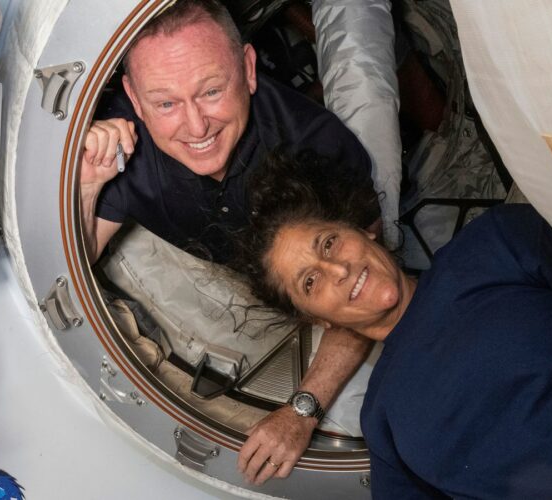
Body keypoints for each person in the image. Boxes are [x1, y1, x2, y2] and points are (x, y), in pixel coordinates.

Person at [79, 0, 382, 484]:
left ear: (247, 68)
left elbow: (370, 293)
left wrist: (301, 411)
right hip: (228, 270)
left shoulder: (318, 149)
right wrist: (90, 182)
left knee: (366, 87)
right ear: (134, 100)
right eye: (165, 104)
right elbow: (78, 259)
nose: (196, 126)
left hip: (315, 268)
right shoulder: (122, 142)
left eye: (212, 90)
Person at [235, 150, 552, 497]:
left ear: (364, 231)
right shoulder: (383, 422)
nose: (336, 269)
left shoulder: (492, 245)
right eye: (311, 281)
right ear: (318, 319)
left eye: (328, 243)